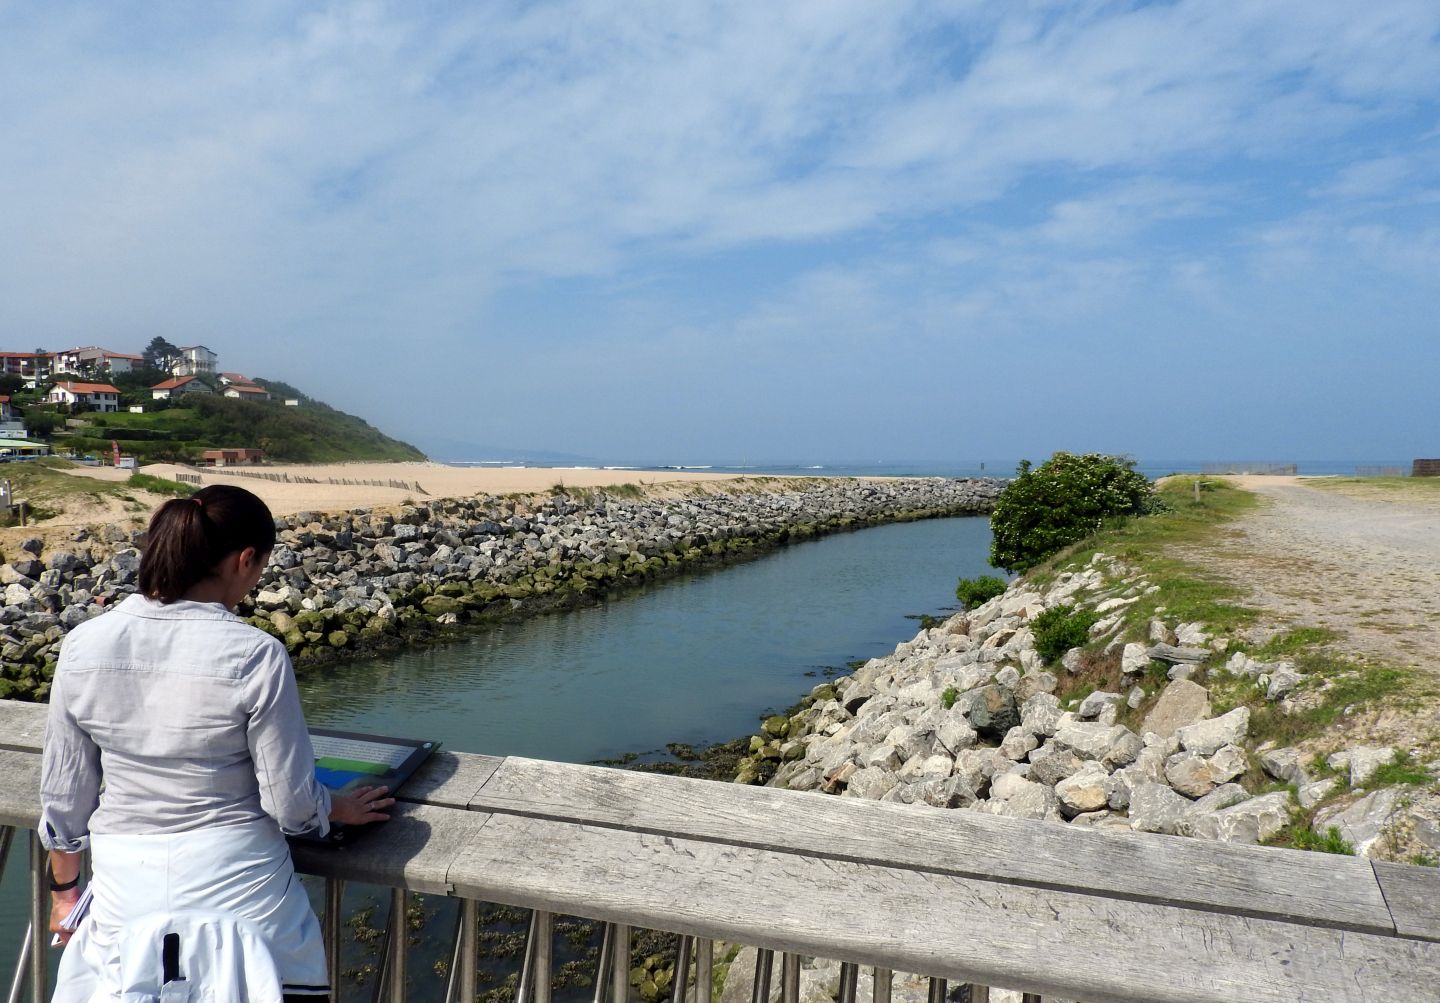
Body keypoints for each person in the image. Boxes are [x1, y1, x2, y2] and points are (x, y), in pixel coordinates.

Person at [40, 485, 395, 1002]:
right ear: (245, 559)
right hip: (241, 889)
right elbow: (291, 805)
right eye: (260, 567)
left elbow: (65, 794)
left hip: (125, 888)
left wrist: (64, 894)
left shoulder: (82, 645)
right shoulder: (256, 654)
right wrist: (339, 807)